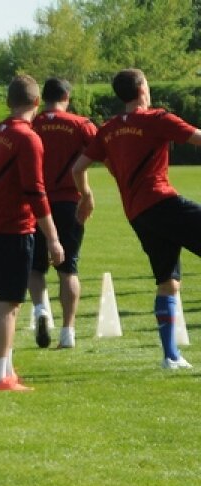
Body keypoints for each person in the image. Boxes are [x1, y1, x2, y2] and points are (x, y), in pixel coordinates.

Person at [72, 68, 201, 370]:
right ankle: (170, 355)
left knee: (167, 281)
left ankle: (170, 356)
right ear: (143, 87)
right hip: (161, 202)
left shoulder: (109, 129)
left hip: (138, 214)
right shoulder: (156, 119)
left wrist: (87, 196)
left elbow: (78, 168)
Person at [0, 75, 63, 391]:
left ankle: (6, 367)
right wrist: (52, 237)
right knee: (8, 304)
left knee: (7, 302)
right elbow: (35, 190)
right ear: (37, 102)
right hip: (13, 229)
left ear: (8, 102)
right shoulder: (29, 139)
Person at [29, 78, 97, 350]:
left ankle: (40, 310)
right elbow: (105, 150)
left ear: (42, 99)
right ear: (67, 96)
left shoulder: (30, 124)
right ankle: (68, 331)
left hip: (33, 203)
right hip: (69, 201)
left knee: (35, 268)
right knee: (68, 269)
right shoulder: (80, 124)